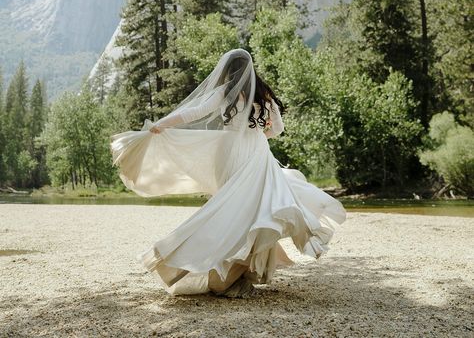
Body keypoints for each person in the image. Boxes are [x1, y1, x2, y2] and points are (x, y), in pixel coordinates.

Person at [110, 48, 346, 298]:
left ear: (228, 71)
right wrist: (257, 136)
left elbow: (194, 113)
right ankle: (239, 273)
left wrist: (163, 124)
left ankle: (225, 271)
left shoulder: (224, 92)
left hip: (229, 153)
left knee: (230, 209)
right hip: (256, 152)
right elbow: (277, 128)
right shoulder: (263, 93)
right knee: (255, 211)